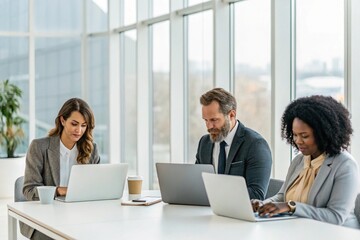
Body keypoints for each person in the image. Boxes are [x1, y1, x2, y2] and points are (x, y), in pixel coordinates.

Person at [251, 95, 359, 226]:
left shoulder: (344, 165)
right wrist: (264, 204)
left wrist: (291, 207)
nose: (297, 141)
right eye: (295, 135)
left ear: (323, 133)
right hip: (300, 231)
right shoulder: (299, 160)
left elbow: (335, 217)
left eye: (304, 136)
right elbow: (281, 196)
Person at [21, 98, 100, 239]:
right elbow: (29, 190)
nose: (79, 130)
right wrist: (58, 190)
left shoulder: (91, 150)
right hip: (44, 219)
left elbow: (95, 188)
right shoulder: (39, 147)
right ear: (63, 120)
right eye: (74, 124)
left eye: (84, 125)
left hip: (80, 216)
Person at [195, 88, 272, 200]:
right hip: (208, 211)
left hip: (239, 215)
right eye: (205, 120)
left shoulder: (255, 144)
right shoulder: (204, 143)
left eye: (214, 120)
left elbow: (256, 194)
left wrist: (216, 192)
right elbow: (197, 183)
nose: (209, 126)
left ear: (231, 115)